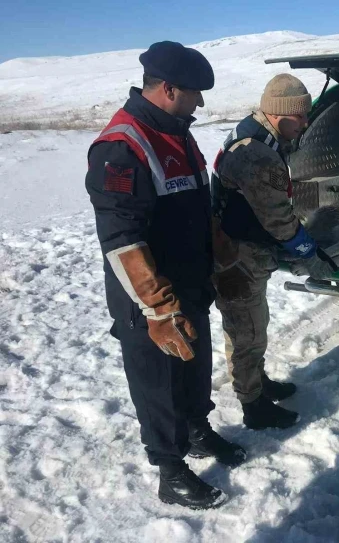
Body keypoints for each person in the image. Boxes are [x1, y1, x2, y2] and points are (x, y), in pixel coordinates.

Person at [86, 41, 246, 510]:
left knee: (194, 369)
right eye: (195, 93)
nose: (200, 102)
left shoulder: (178, 133)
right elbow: (122, 239)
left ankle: (197, 431)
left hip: (190, 285)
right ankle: (170, 469)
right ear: (169, 88)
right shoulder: (122, 147)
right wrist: (158, 307)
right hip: (149, 299)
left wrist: (225, 263)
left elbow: (198, 209)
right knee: (159, 382)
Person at [210, 74, 336, 430]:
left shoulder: (258, 134)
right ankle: (253, 407)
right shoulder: (256, 154)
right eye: (301, 117)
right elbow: (279, 220)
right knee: (246, 334)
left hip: (245, 250)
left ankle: (258, 383)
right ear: (282, 115)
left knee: (254, 327)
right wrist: (310, 255)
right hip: (237, 258)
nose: (306, 124)